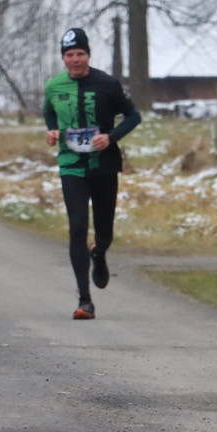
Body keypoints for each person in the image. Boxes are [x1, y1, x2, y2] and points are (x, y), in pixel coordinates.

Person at [44, 28, 141, 320]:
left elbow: (134, 116)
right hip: (71, 165)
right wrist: (51, 131)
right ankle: (84, 301)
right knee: (76, 225)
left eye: (80, 54)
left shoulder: (107, 84)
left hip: (105, 165)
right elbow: (49, 112)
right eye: (70, 55)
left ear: (88, 55)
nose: (76, 60)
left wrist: (110, 137)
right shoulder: (54, 86)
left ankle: (99, 253)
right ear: (63, 58)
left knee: (104, 231)